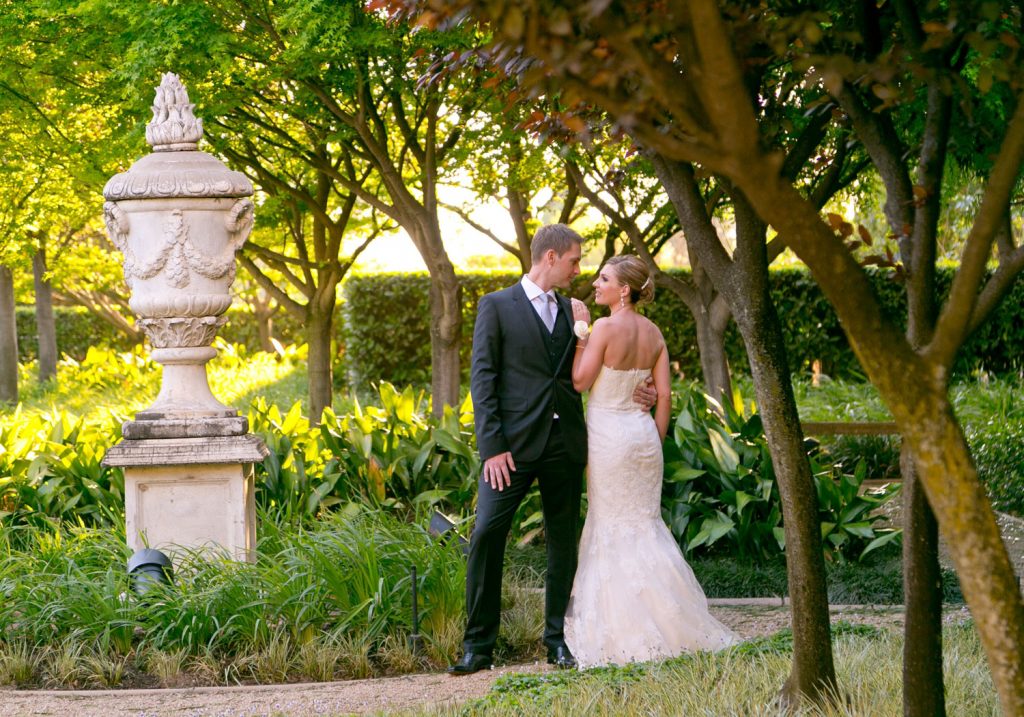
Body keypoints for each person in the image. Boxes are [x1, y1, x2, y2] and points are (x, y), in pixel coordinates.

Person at [449, 226, 654, 675]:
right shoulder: (496, 306)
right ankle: (478, 647)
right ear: (551, 258)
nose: (579, 270)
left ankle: (558, 641)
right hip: (511, 450)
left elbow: (591, 371)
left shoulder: (574, 312)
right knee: (486, 534)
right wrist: (493, 448)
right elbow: (482, 381)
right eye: (575, 261)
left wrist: (646, 389)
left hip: (566, 445)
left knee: (563, 543)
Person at [563, 255, 736, 668]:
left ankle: (620, 624)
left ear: (625, 289)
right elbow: (665, 396)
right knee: (644, 524)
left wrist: (581, 332)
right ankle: (669, 616)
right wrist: (653, 442)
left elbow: (580, 382)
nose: (596, 283)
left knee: (610, 522)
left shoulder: (603, 327)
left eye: (604, 278)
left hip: (607, 436)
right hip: (642, 438)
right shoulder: (654, 332)